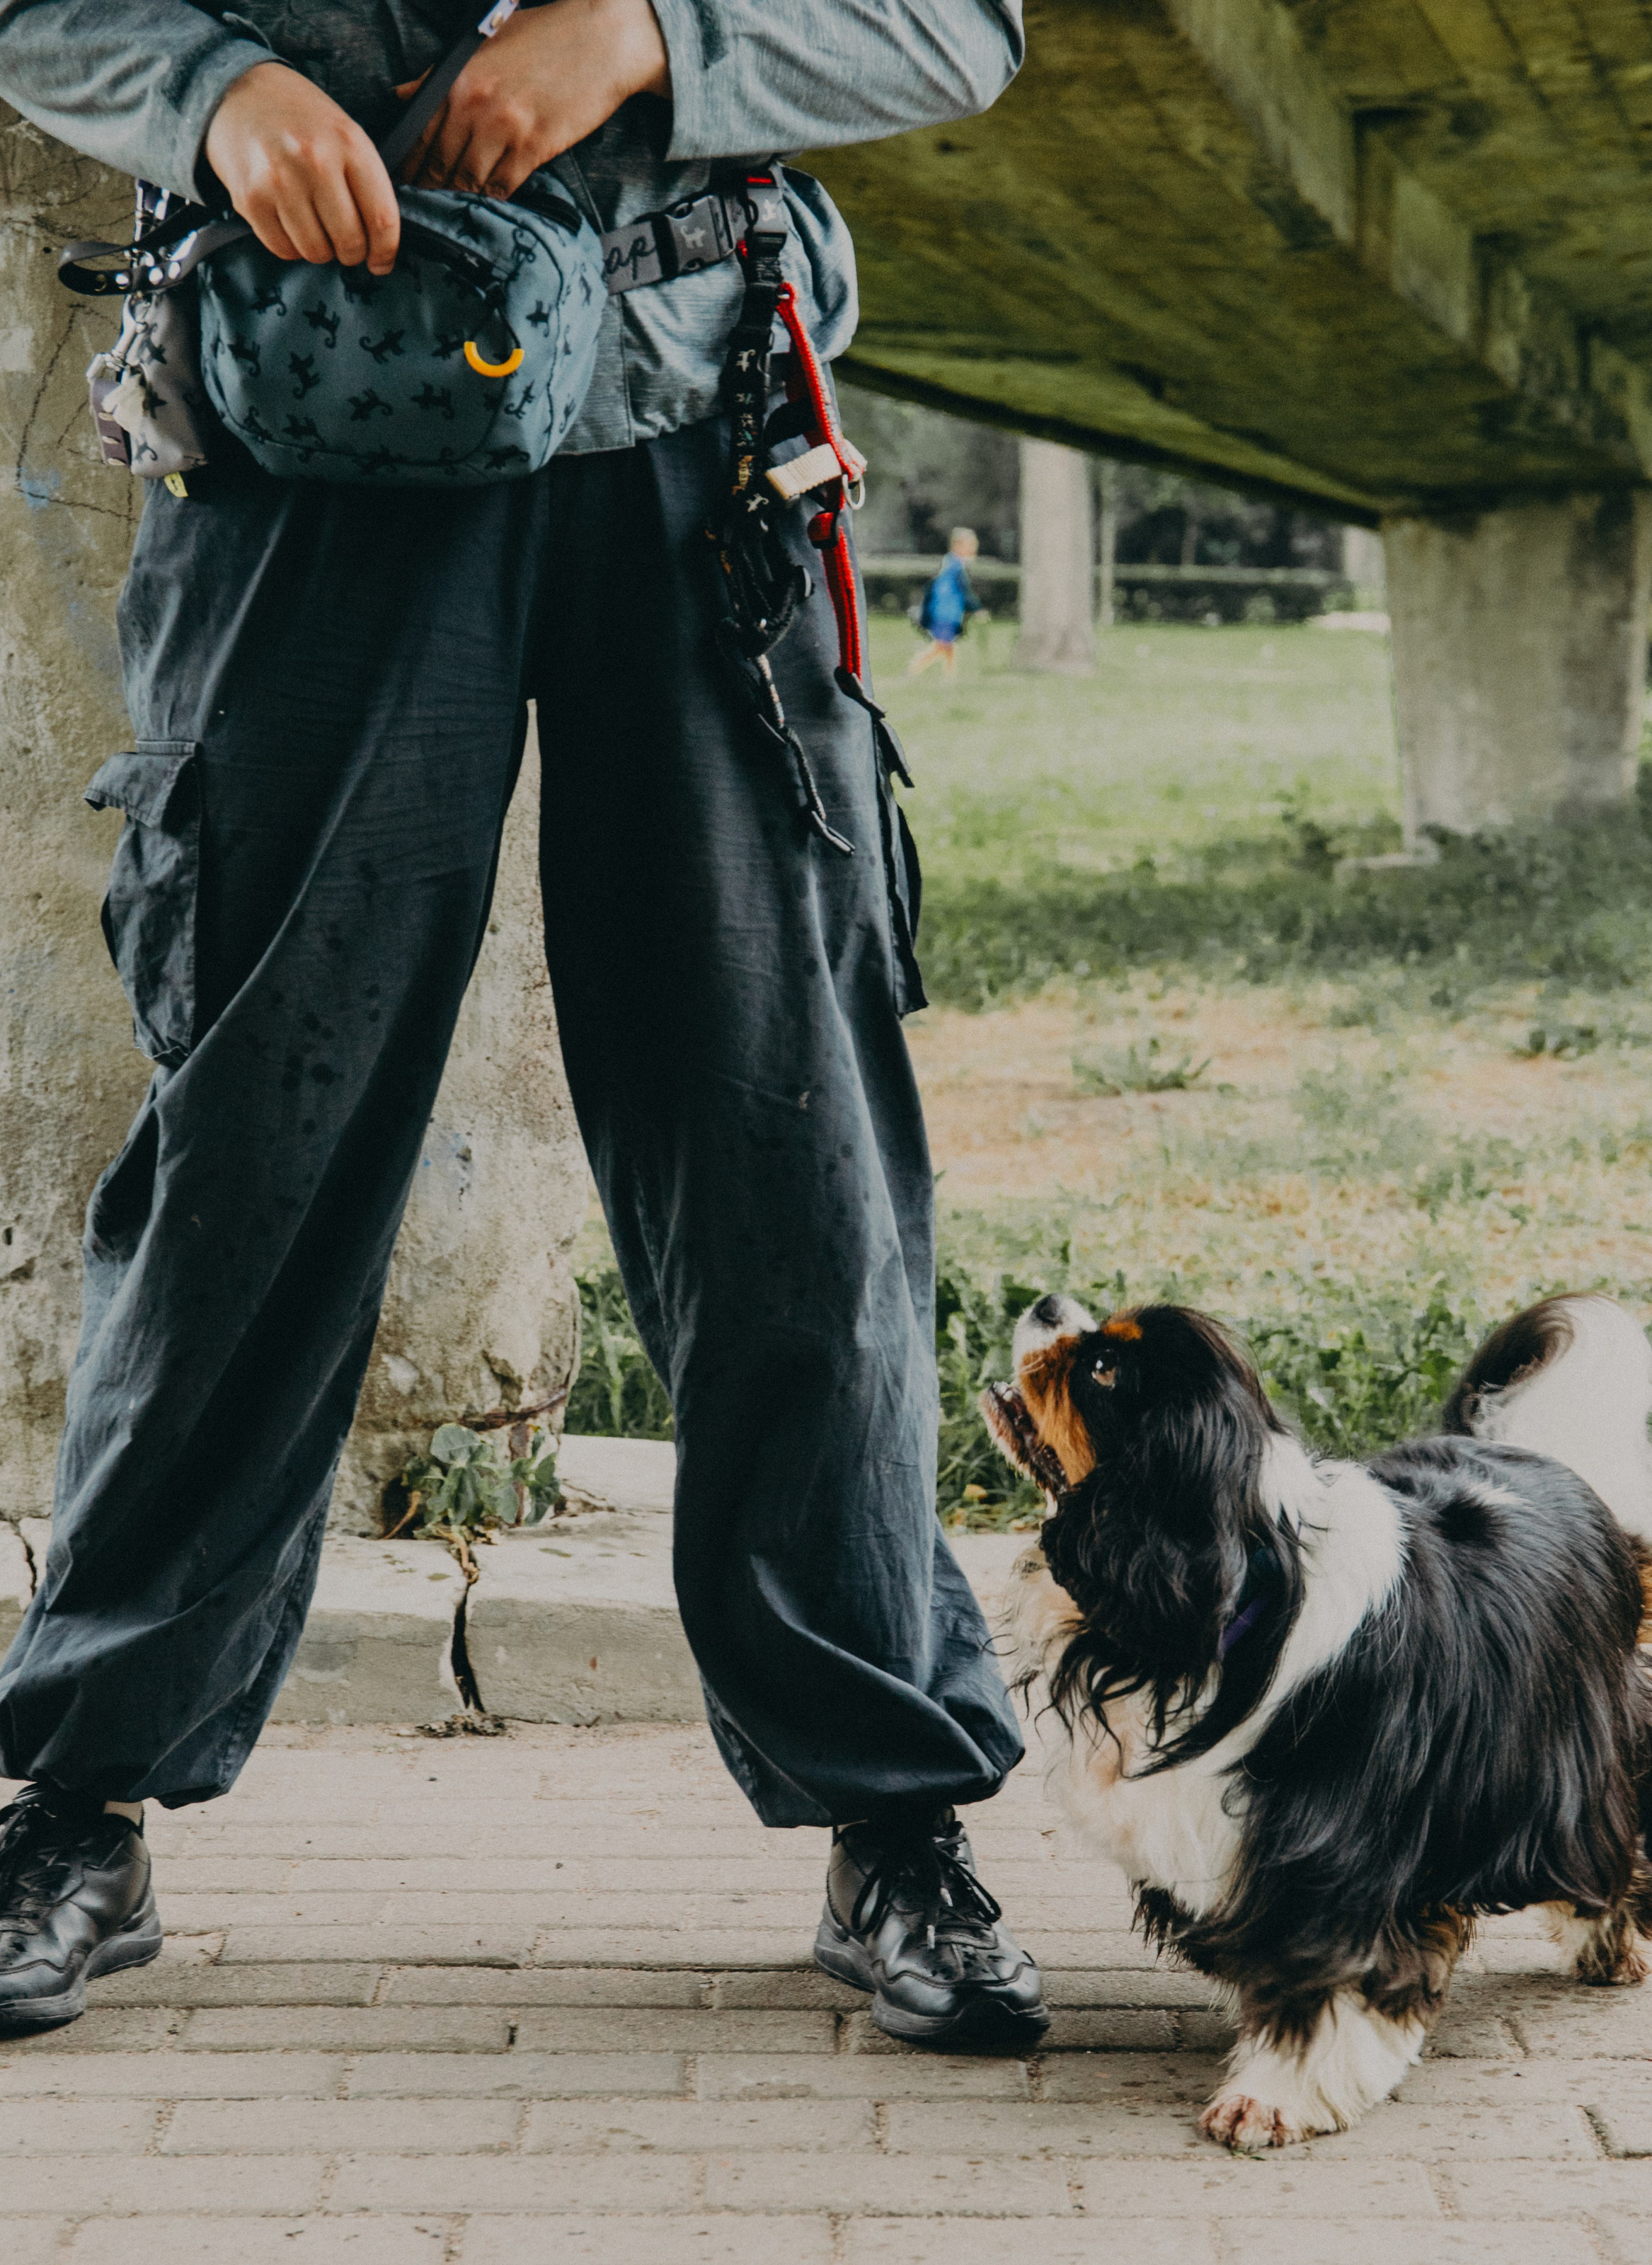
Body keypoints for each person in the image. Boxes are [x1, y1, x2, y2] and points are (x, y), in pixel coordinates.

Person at [0, 0, 1046, 2052]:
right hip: (318, 421)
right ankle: (79, 1805)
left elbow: (957, 21)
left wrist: (656, 35)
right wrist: (211, 91)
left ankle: (895, 1814)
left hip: (699, 431)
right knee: (253, 1149)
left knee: (789, 1142)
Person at [908, 524, 984, 675]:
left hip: (946, 612)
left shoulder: (949, 563)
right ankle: (914, 668)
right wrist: (977, 609)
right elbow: (964, 592)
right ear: (958, 546)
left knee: (949, 646)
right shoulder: (955, 568)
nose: (973, 550)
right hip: (945, 613)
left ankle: (950, 676)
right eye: (970, 546)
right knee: (942, 645)